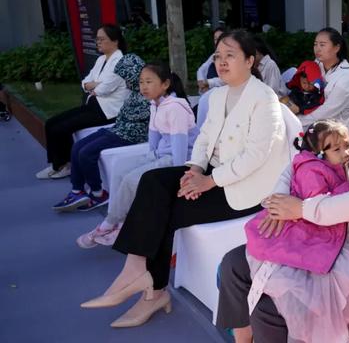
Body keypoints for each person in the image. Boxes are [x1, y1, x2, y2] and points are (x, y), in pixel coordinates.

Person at [216, 44, 349, 343]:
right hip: (316, 232)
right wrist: (280, 203)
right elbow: (301, 160)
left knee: (268, 305)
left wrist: (301, 209)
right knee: (232, 266)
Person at [79, 30, 290, 328]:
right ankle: (136, 271)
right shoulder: (217, 95)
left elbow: (256, 155)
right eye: (218, 56)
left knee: (165, 211)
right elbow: (203, 139)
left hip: (245, 189)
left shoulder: (263, 97)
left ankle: (152, 291)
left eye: (231, 55)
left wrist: (207, 181)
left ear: (249, 60)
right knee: (153, 182)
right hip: (212, 174)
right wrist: (194, 169)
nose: (222, 62)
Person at [244, 120, 349, 343]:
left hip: (319, 224)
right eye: (337, 149)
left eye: (348, 145)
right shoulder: (312, 171)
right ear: (320, 154)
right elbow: (318, 203)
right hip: (312, 229)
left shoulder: (327, 164)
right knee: (339, 285)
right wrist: (348, 187)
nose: (347, 152)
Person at [76, 63, 197, 248]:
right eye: (141, 82)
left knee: (132, 180)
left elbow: (180, 147)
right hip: (161, 154)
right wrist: (149, 158)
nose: (143, 86)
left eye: (149, 82)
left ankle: (109, 225)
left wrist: (178, 175)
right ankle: (119, 222)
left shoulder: (175, 108)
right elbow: (153, 136)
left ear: (165, 84)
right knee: (119, 170)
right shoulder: (155, 104)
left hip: (180, 160)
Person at [51, 54, 149, 212]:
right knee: (78, 147)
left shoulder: (147, 93)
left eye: (125, 76)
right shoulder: (133, 92)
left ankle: (98, 193)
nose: (124, 81)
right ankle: (77, 191)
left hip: (129, 135)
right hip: (118, 129)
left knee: (86, 153)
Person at [37, 24, 128, 179]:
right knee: (51, 123)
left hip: (108, 111)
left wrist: (95, 85)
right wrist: (93, 85)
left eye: (101, 39)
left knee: (62, 127)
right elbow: (85, 81)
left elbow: (104, 89)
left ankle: (65, 166)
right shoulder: (101, 59)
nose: (97, 42)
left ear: (115, 41)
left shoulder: (121, 61)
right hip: (94, 104)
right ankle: (57, 164)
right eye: (97, 39)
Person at [297, 27, 349, 128]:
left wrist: (296, 121)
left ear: (336, 48)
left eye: (322, 45)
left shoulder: (346, 77)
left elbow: (327, 112)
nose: (317, 48)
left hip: (339, 130)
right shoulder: (317, 64)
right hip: (315, 123)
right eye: (315, 44)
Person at [196, 27, 227, 94]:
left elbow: (230, 78)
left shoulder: (231, 55)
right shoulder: (214, 55)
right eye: (215, 39)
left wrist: (208, 82)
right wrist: (201, 81)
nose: (217, 41)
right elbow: (201, 69)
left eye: (220, 38)